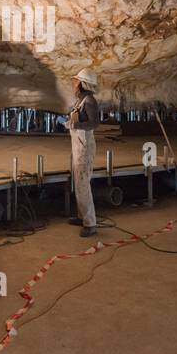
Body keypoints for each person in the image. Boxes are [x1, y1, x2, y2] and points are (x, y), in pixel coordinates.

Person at [65, 68, 100, 236]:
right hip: (79, 145)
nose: (73, 83)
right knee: (79, 183)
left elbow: (94, 123)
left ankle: (90, 223)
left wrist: (74, 125)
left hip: (84, 147)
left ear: (81, 83)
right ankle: (82, 216)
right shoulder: (81, 100)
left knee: (83, 183)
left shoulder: (90, 101)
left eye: (75, 80)